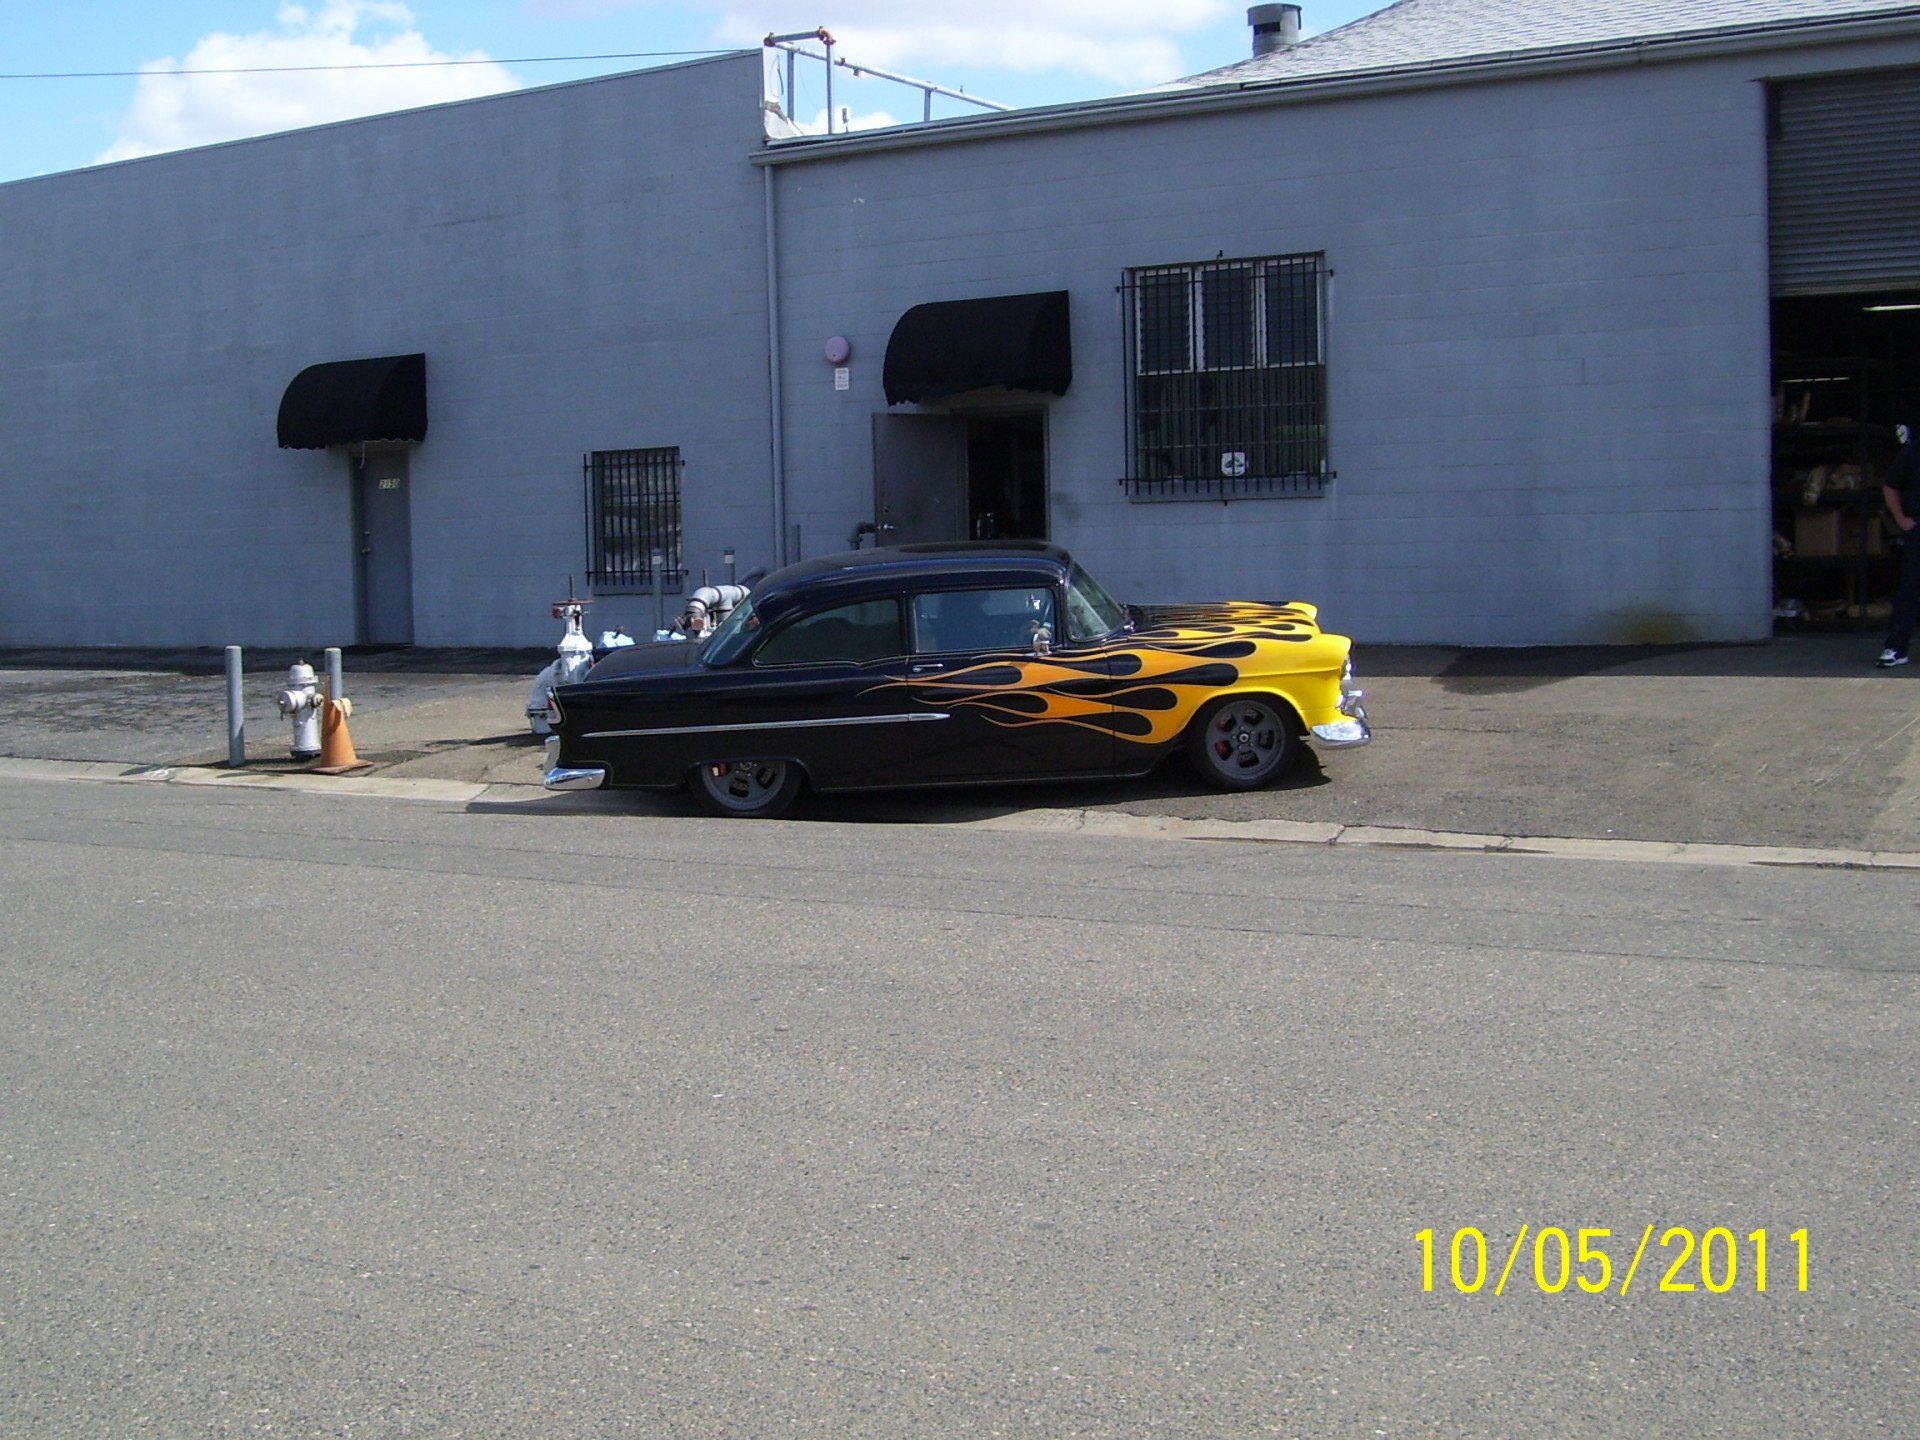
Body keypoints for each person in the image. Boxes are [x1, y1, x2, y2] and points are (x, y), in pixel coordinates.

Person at [1879, 424, 1920, 668]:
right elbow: (1890, 485)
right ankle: (1896, 648)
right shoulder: (1914, 451)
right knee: (1910, 589)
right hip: (1918, 528)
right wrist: (1901, 520)